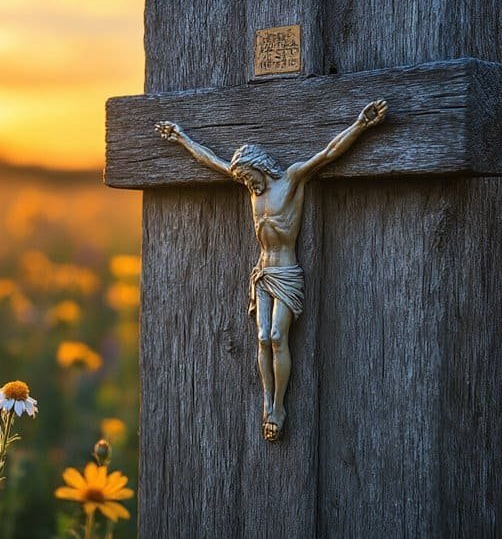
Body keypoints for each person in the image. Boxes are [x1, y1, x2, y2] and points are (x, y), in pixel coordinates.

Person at [155, 99, 387, 441]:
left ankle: (279, 407)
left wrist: (361, 124)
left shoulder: (291, 181)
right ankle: (267, 402)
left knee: (278, 337)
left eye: (248, 177)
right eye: (243, 180)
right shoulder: (252, 191)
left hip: (287, 271)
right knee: (262, 338)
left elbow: (328, 153)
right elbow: (212, 162)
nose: (247, 184)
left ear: (259, 167)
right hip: (261, 274)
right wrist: (181, 138)